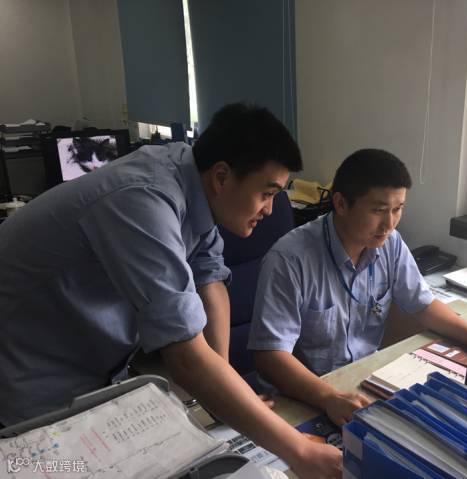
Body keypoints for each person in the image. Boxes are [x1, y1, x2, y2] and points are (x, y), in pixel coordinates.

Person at [0, 104, 341, 478]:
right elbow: (186, 360)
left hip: (93, 364)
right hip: (29, 374)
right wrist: (299, 452)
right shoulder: (142, 200)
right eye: (267, 193)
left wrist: (221, 387)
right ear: (222, 177)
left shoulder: (190, 174)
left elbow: (209, 276)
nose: (270, 209)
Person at [248, 148, 467, 426]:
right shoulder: (289, 259)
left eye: (397, 209)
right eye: (378, 210)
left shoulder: (390, 243)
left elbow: (423, 305)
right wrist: (328, 397)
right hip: (302, 396)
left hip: (360, 383)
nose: (389, 223)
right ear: (341, 203)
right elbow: (269, 356)